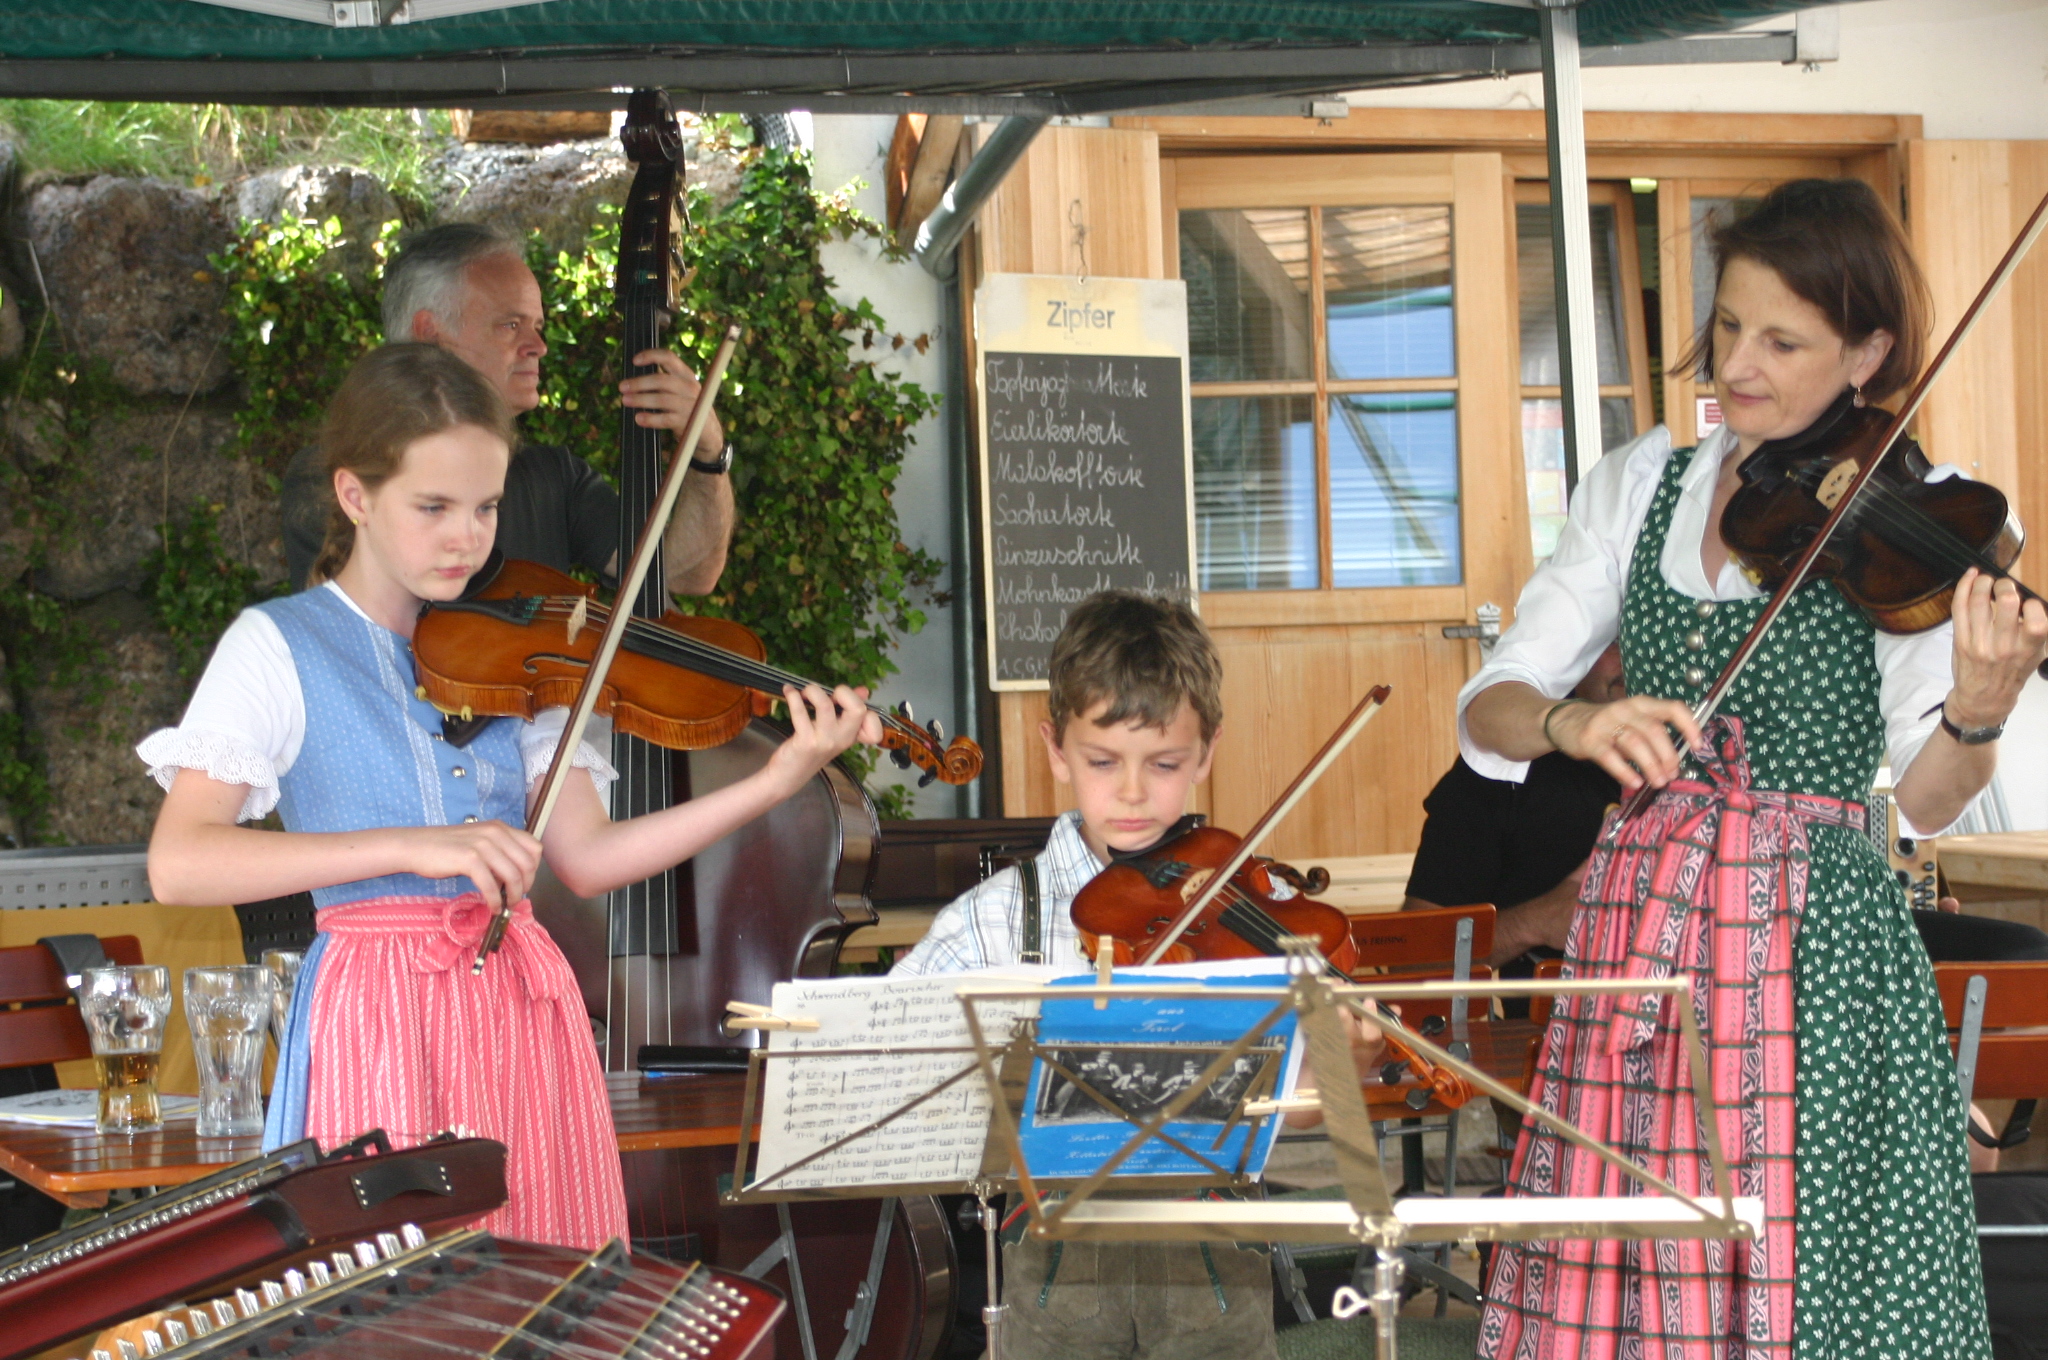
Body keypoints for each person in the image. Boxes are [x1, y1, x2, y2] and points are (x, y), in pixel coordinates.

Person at [1465, 179, 2046, 1358]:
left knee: (1808, 1272)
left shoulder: (1909, 522)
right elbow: (1491, 704)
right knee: (1625, 1266)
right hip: (1637, 936)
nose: (1737, 364)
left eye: (1781, 340)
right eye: (1727, 324)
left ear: (1867, 351)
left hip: (1811, 948)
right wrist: (1572, 726)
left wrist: (1977, 713)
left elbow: (1923, 802)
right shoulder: (1639, 485)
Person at [139, 344, 878, 1250]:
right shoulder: (278, 645)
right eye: (433, 507)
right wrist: (414, 846)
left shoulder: (519, 651)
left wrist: (776, 780)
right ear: (355, 496)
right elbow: (180, 863)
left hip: (522, 1014)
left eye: (485, 508)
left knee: (546, 1293)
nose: (466, 537)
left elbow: (590, 858)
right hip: (376, 1017)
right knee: (402, 1310)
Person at [891, 590, 1383, 1360]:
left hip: (1212, 1279)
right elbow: (898, 1077)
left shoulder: (1242, 920)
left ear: (1206, 752)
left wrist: (1343, 1070)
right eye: (1101, 761)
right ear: (1055, 748)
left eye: (1163, 764)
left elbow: (1300, 1116)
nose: (1130, 792)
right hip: (1054, 1282)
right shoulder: (988, 921)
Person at [281, 223, 733, 596]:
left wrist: (707, 452)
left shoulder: (554, 475)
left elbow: (683, 575)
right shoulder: (336, 479)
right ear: (430, 334)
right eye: (510, 325)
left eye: (537, 326)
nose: (538, 346)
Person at [1403, 643, 1624, 974]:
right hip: (1546, 1024)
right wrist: (1533, 923)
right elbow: (1414, 964)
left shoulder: (1724, 759)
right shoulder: (1501, 770)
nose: (1640, 653)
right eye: (1614, 639)